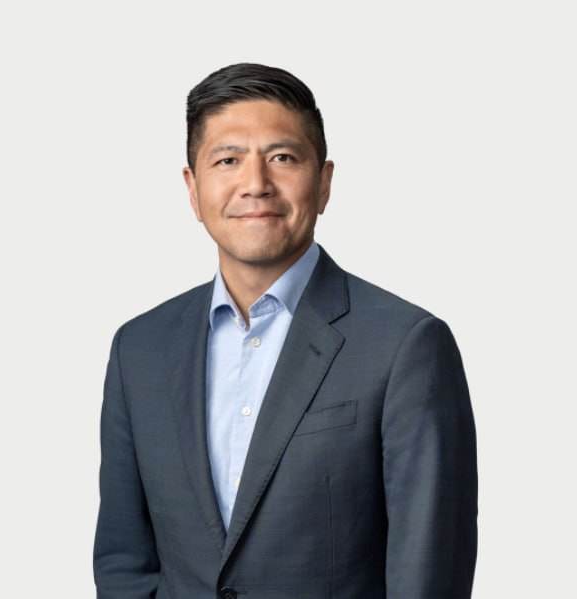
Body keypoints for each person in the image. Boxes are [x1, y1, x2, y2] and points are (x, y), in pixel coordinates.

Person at [93, 63, 478, 599]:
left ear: (324, 183)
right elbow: (124, 565)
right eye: (227, 160)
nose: (255, 184)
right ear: (193, 189)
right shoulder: (139, 349)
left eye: (282, 158)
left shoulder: (405, 346)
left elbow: (427, 575)